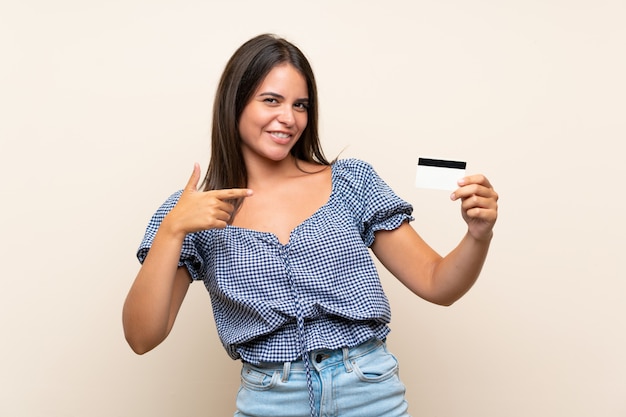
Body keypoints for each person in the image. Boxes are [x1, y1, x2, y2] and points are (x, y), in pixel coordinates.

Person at [122, 33, 499, 417]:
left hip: (368, 394)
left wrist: (477, 235)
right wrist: (172, 231)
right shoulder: (193, 212)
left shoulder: (352, 182)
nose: (288, 118)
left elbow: (438, 284)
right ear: (234, 103)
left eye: (300, 105)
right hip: (270, 401)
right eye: (271, 100)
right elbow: (141, 337)